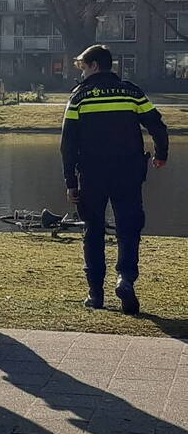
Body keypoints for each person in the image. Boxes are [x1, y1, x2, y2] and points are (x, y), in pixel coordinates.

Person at [61, 45, 168, 314]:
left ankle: (95, 293)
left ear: (95, 66)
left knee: (93, 230)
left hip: (92, 173)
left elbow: (68, 143)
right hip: (128, 171)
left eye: (84, 67)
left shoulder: (80, 97)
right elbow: (156, 123)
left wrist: (70, 181)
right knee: (129, 228)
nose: (82, 73)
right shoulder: (131, 91)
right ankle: (126, 280)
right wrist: (161, 154)